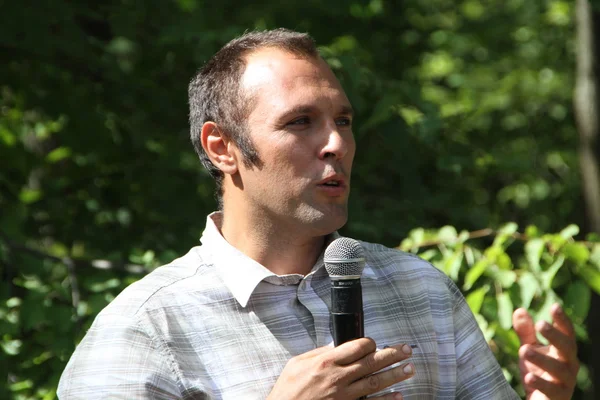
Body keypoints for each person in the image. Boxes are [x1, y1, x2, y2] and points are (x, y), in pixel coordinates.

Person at [57, 29, 579, 399]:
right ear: (222, 147)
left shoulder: (422, 290)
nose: (336, 144)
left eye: (344, 120)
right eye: (300, 122)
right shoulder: (147, 327)